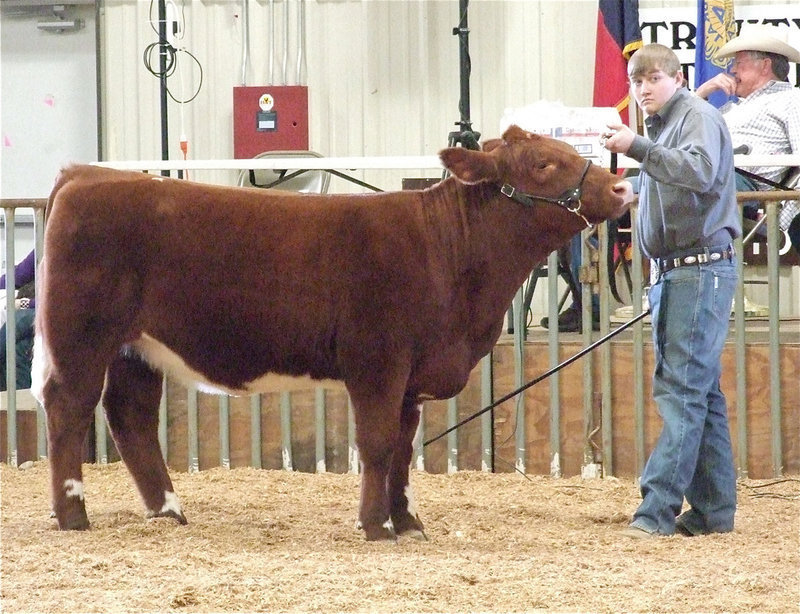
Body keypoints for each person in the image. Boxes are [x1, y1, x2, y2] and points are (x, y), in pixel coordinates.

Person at [603, 43, 741, 538]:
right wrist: (637, 192)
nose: (642, 89)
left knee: (682, 391)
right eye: (636, 81)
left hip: (697, 270)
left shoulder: (696, 116)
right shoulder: (668, 124)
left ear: (677, 79)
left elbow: (701, 172)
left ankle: (655, 511)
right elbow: (684, 177)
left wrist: (636, 150)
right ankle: (712, 511)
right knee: (700, 392)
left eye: (653, 78)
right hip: (680, 271)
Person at [694, 23, 800, 252]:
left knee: (652, 182)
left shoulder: (792, 100)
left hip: (740, 182)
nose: (732, 70)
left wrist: (782, 217)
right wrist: (703, 92)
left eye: (738, 63)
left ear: (764, 66)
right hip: (706, 173)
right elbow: (683, 129)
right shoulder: (731, 109)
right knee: (636, 178)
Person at [0, 249, 37, 391]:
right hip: (46, 310)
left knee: (19, 319)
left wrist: (26, 303)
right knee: (20, 347)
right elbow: (20, 274)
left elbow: (69, 303)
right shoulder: (52, 243)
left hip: (81, 316)